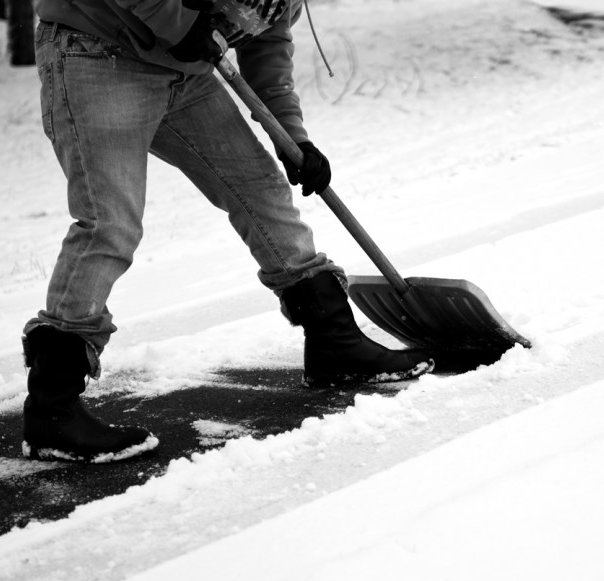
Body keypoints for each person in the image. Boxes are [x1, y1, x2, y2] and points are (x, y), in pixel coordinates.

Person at [22, 0, 433, 463]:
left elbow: (268, 41)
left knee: (259, 190)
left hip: (186, 70)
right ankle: (51, 411)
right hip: (98, 53)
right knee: (109, 224)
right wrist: (178, 23)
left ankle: (334, 343)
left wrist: (293, 137)